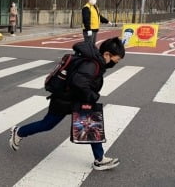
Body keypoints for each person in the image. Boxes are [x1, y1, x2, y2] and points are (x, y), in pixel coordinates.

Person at [9, 37, 125, 171]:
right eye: (117, 59)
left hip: (75, 99)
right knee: (48, 124)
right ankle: (19, 131)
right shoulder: (92, 64)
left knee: (92, 126)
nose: (116, 62)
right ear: (107, 54)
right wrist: (93, 96)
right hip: (64, 99)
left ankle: (99, 159)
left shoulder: (95, 62)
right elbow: (79, 83)